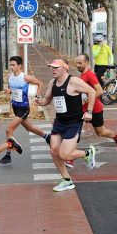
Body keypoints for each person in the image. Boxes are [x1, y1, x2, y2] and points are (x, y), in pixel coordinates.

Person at [35, 58, 97, 192]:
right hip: (59, 122)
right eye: (52, 67)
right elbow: (46, 99)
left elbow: (92, 92)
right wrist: (40, 102)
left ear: (65, 68)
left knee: (64, 154)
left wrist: (89, 112)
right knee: (54, 151)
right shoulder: (52, 83)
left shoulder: (74, 81)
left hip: (73, 122)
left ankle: (87, 153)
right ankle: (67, 180)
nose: (53, 69)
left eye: (56, 67)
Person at [0, 56, 50, 164]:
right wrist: (9, 91)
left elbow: (40, 83)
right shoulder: (9, 77)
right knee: (30, 128)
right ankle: (47, 137)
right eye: (10, 65)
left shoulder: (25, 77)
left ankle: (8, 155)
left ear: (20, 66)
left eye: (13, 65)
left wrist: (36, 96)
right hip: (15, 107)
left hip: (24, 107)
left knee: (9, 130)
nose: (11, 67)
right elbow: (12, 90)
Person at [75, 53, 117, 151]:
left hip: (95, 109)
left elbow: (100, 91)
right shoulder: (83, 74)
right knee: (74, 132)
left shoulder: (90, 75)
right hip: (82, 109)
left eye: (80, 63)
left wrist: (85, 100)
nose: (77, 65)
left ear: (86, 63)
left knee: (100, 132)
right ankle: (69, 155)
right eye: (76, 63)